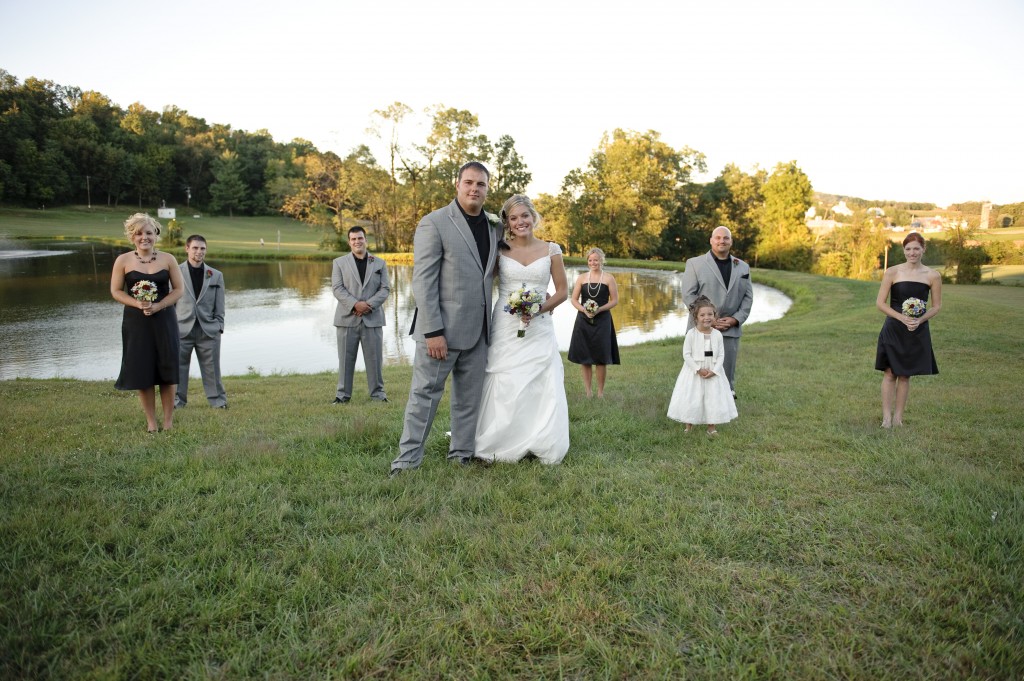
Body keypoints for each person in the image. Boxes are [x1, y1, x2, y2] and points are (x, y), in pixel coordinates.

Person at [391, 162, 499, 476]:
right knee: (424, 397)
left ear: (487, 188)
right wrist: (433, 331)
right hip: (441, 332)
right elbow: (423, 281)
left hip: (479, 331)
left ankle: (461, 454)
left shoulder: (495, 227)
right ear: (457, 185)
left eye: (481, 184)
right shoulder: (434, 222)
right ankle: (406, 462)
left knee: (469, 399)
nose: (474, 189)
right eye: (469, 182)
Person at [475, 195, 569, 464]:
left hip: (539, 325)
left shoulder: (552, 250)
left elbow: (562, 292)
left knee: (540, 378)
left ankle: (538, 440)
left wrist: (539, 309)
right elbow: (481, 279)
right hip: (505, 324)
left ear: (533, 217)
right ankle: (499, 440)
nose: (520, 222)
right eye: (514, 218)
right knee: (504, 376)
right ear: (507, 222)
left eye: (525, 216)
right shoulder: (499, 249)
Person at [110, 213, 185, 433]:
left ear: (156, 235)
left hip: (164, 320)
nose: (144, 237)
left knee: (167, 370)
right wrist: (137, 303)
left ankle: (168, 423)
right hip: (136, 323)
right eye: (139, 233)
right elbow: (116, 291)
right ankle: (151, 423)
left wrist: (160, 305)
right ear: (132, 236)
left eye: (149, 233)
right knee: (143, 371)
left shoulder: (168, 259)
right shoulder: (123, 261)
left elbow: (179, 290)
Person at [875, 232, 941, 427]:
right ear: (904, 250)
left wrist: (919, 320)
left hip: (916, 330)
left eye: (916, 249)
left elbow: (936, 306)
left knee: (905, 375)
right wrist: (901, 317)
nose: (912, 253)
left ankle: (898, 419)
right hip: (894, 328)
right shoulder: (892, 272)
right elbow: (880, 303)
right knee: (889, 373)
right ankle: (886, 419)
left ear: (923, 250)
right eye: (908, 249)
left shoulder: (933, 275)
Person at [681, 225, 753, 396]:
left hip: (730, 329)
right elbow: (688, 295)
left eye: (726, 238)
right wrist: (708, 319)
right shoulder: (695, 264)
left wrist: (735, 319)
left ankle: (727, 399)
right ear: (711, 241)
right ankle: (696, 401)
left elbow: (748, 297)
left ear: (731, 242)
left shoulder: (743, 267)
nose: (722, 241)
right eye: (718, 237)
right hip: (701, 329)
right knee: (699, 370)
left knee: (725, 374)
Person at [331, 226, 390, 404]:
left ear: (365, 240)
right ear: (349, 242)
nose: (357, 241)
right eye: (354, 239)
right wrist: (355, 305)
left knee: (375, 360)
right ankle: (342, 396)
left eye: (360, 238)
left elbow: (385, 289)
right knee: (345, 360)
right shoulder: (339, 263)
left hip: (372, 319)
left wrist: (367, 306)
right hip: (346, 319)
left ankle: (378, 395)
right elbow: (337, 288)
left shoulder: (379, 263)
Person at [667, 296, 738, 435]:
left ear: (715, 316)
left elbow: (721, 355)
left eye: (710, 314)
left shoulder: (717, 334)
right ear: (696, 317)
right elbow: (686, 354)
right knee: (692, 397)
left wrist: (715, 370)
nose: (707, 317)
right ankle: (689, 425)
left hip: (713, 369)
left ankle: (711, 428)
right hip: (694, 371)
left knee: (712, 398)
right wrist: (698, 369)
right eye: (702, 315)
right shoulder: (691, 334)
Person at [175, 234, 228, 409]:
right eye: (195, 248)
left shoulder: (216, 275)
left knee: (212, 369)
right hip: (181, 330)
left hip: (208, 330)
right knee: (178, 368)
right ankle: (177, 402)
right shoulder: (174, 272)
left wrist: (219, 326)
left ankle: (218, 402)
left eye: (202, 248)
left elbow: (220, 306)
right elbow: (170, 303)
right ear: (187, 249)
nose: (199, 251)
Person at [568, 247, 620, 398]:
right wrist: (584, 310)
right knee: (585, 358)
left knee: (600, 358)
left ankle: (600, 393)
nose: (593, 263)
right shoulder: (582, 278)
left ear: (601, 260)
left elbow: (615, 301)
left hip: (603, 321)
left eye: (596, 260)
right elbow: (574, 299)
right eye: (590, 260)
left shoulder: (609, 278)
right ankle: (588, 392)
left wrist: (599, 310)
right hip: (583, 320)